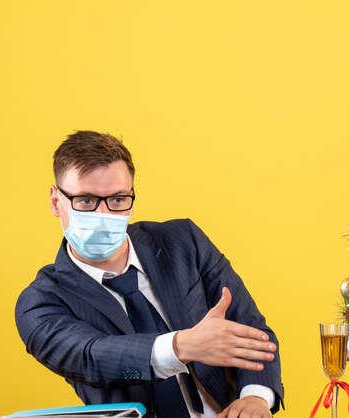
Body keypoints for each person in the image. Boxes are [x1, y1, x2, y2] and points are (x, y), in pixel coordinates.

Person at [15, 131, 284, 418]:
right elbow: (92, 356)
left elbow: (251, 330)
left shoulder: (183, 242)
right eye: (86, 201)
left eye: (118, 200)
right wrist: (181, 346)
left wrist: (255, 398)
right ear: (57, 202)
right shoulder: (40, 302)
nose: (104, 214)